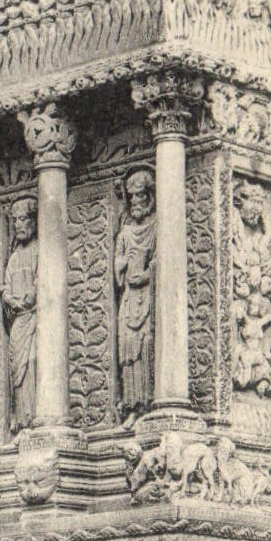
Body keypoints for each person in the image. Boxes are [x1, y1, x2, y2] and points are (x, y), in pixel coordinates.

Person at [114, 168, 156, 418]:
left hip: (148, 298)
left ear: (149, 197)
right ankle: (132, 406)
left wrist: (148, 274)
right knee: (127, 348)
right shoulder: (125, 233)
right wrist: (123, 264)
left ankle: (149, 402)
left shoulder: (157, 227)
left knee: (146, 345)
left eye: (141, 197)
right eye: (132, 198)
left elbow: (162, 260)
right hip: (129, 298)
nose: (136, 202)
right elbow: (117, 266)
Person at [1, 196, 37, 433]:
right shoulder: (14, 258)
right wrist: (10, 298)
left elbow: (43, 279)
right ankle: (23, 421)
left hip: (35, 319)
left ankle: (35, 418)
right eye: (15, 221)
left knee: (33, 363)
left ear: (33, 221)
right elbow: (5, 287)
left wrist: (32, 294)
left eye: (23, 219)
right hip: (18, 321)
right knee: (17, 370)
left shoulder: (39, 250)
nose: (18, 225)